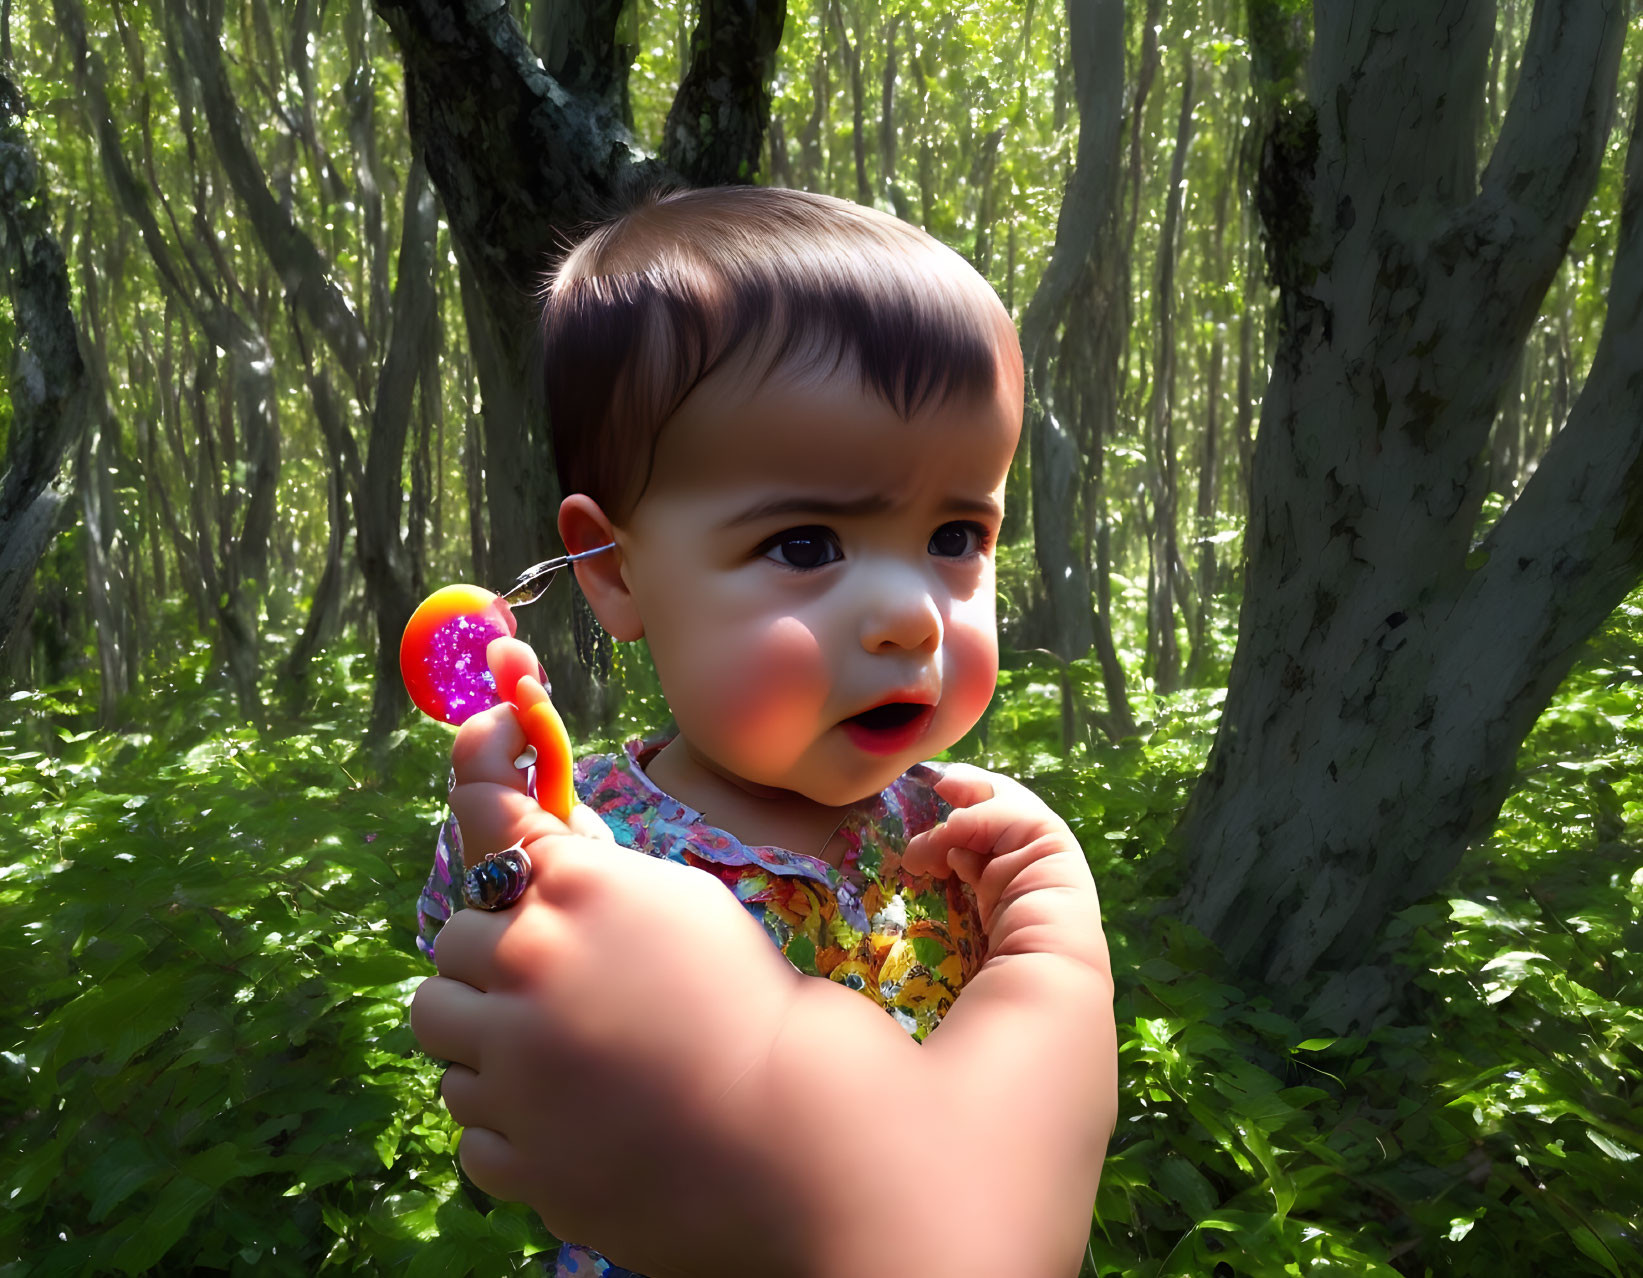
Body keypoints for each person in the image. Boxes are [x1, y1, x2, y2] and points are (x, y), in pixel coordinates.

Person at [409, 185, 1118, 1278]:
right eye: (803, 544)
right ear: (611, 570)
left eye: (952, 533)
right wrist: (526, 866)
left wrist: (1050, 941)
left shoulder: (967, 843)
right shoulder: (586, 828)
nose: (911, 615)